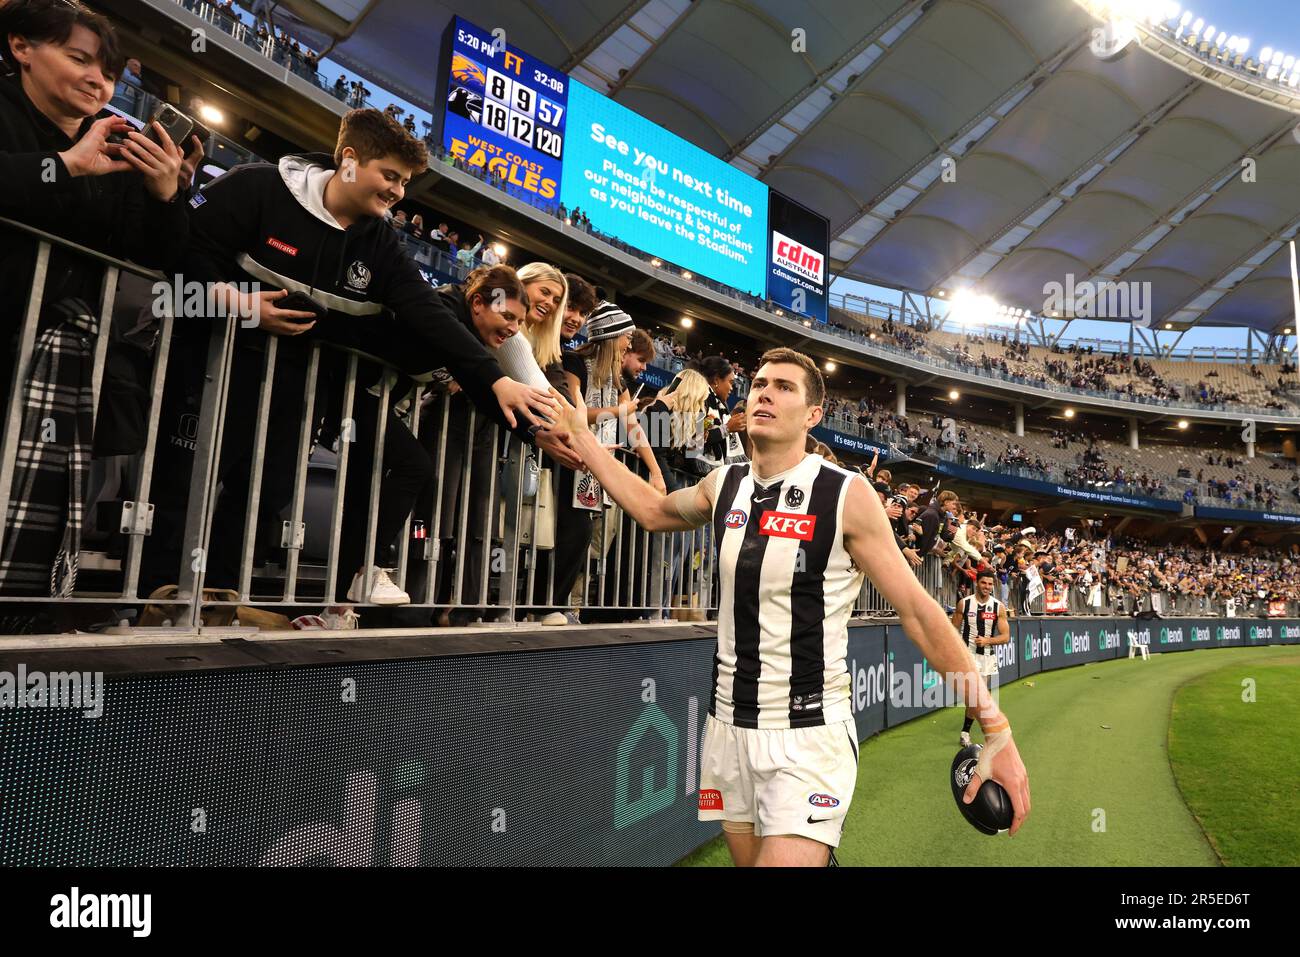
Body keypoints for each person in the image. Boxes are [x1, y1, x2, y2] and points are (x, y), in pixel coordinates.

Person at [550, 347, 1030, 865]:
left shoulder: (846, 494)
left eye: (783, 387)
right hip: (729, 730)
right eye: (759, 384)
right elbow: (650, 509)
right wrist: (583, 437)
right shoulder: (723, 484)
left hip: (809, 738)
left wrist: (995, 725)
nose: (764, 393)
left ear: (813, 415)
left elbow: (917, 610)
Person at [140, 108, 560, 599]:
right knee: (180, 488)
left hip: (295, 391)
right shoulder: (255, 187)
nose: (398, 191)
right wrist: (240, 306)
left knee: (261, 497)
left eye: (404, 182)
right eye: (390, 175)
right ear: (349, 160)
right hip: (205, 370)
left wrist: (498, 382)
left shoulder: (379, 242)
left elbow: (429, 313)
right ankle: (147, 605)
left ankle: (221, 608)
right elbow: (174, 257)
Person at [0, 0, 188, 595]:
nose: (96, 80)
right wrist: (63, 167)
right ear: (21, 48)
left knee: (32, 512)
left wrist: (163, 194)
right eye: (79, 58)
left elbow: (153, 254)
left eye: (107, 73)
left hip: (57, 362)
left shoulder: (111, 144)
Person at [951, 568, 1010, 747]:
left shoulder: (998, 607)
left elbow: (1005, 636)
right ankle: (967, 732)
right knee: (976, 694)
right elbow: (953, 629)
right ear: (977, 583)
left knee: (981, 697)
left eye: (990, 584)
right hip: (968, 656)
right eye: (984, 583)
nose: (987, 587)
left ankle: (967, 731)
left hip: (986, 658)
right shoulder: (964, 604)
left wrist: (988, 640)